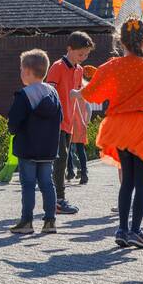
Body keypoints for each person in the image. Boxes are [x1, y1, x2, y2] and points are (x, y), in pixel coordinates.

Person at [78, 18, 143, 249]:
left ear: (121, 41)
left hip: (118, 125)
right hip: (142, 125)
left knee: (127, 181)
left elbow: (91, 93)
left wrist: (76, 93)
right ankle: (136, 231)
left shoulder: (113, 66)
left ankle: (122, 229)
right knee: (142, 182)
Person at [8, 49, 63, 235]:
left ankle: (27, 221)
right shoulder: (53, 94)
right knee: (48, 184)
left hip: (28, 148)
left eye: (21, 69)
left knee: (28, 185)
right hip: (48, 149)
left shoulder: (24, 95)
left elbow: (14, 122)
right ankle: (50, 221)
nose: (21, 73)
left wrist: (13, 130)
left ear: (28, 72)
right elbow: (60, 119)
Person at [46, 31, 95, 215]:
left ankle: (56, 199)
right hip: (56, 123)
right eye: (81, 54)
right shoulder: (57, 67)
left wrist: (81, 119)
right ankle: (58, 200)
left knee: (63, 160)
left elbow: (80, 96)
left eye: (86, 54)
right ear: (70, 49)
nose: (84, 57)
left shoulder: (80, 70)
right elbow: (49, 94)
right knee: (59, 161)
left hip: (69, 123)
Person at [66, 84, 90, 185]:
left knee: (68, 148)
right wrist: (86, 122)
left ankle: (70, 170)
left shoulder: (71, 94)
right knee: (80, 150)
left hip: (71, 124)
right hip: (81, 125)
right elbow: (89, 110)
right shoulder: (84, 97)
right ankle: (84, 173)